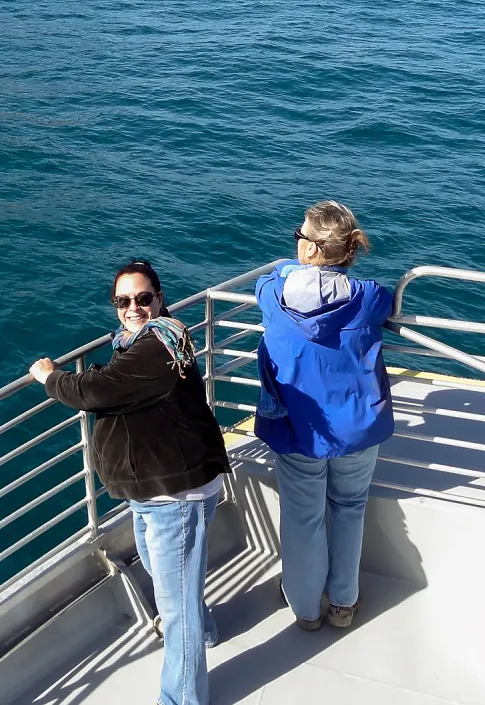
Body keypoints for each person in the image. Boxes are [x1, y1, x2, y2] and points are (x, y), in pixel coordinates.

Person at [30, 258, 230, 705]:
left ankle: (181, 699)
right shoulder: (144, 343)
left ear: (160, 299)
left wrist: (50, 378)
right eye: (123, 300)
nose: (133, 308)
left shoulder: (156, 348)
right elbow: (118, 386)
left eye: (143, 298)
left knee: (175, 606)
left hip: (174, 495)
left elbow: (95, 392)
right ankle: (207, 631)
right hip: (153, 490)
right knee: (171, 582)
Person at [254, 200, 396, 631]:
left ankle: (305, 608)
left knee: (303, 516)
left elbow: (268, 279)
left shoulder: (273, 295)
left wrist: (285, 271)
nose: (296, 241)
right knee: (350, 507)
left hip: (300, 429)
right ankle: (343, 603)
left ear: (313, 250)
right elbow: (385, 300)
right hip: (356, 428)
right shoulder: (368, 298)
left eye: (300, 236)